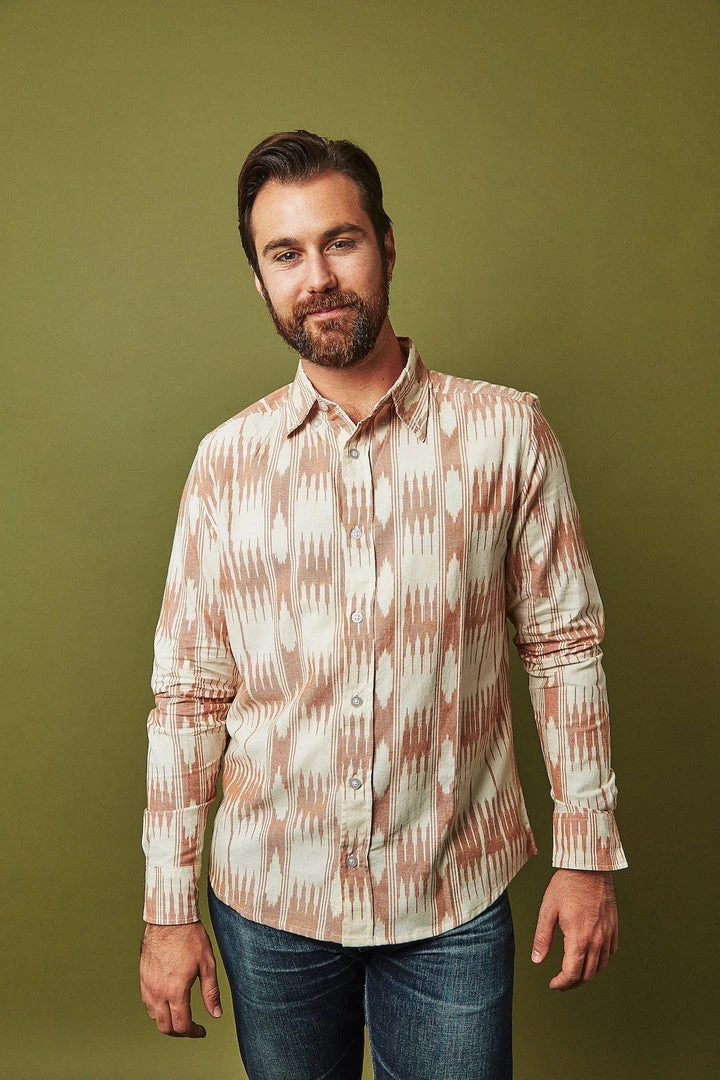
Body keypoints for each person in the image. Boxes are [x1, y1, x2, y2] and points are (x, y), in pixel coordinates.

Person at [139, 129, 627, 1079]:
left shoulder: (506, 434)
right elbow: (189, 697)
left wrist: (586, 854)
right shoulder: (225, 465)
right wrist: (168, 910)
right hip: (270, 905)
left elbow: (564, 645)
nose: (318, 277)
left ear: (388, 246)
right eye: (285, 254)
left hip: (452, 900)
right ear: (260, 281)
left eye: (341, 241)